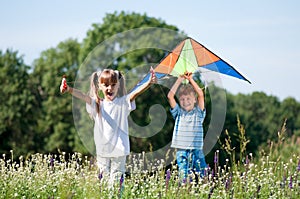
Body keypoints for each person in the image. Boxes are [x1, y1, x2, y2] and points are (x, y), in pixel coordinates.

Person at [60, 68, 157, 188]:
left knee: (116, 182)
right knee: (103, 181)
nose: (109, 88)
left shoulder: (123, 103)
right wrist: (68, 89)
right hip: (102, 149)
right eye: (106, 85)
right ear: (99, 86)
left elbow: (135, 93)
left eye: (113, 85)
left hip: (119, 150)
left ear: (118, 86)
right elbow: (83, 96)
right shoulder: (97, 104)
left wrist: (149, 83)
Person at [167, 71, 207, 183]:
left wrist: (190, 79)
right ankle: (185, 193)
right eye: (182, 99)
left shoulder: (198, 113)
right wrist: (179, 79)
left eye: (188, 99)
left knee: (204, 176)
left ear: (194, 100)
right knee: (183, 177)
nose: (185, 102)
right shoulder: (178, 113)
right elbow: (170, 96)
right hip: (182, 150)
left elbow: (200, 94)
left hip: (196, 150)